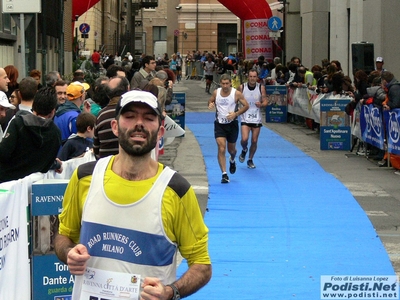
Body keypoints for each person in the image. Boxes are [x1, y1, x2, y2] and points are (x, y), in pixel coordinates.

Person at [54, 90, 211, 299]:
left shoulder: (176, 190)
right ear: (115, 127)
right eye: (129, 116)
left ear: (161, 130)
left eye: (148, 118)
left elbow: (202, 265)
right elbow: (64, 236)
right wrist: (68, 254)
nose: (139, 123)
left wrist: (170, 292)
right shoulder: (85, 177)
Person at [0, 87, 62, 183]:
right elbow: (45, 164)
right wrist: (56, 164)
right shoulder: (56, 133)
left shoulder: (18, 123)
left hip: (8, 186)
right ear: (53, 111)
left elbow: (3, 153)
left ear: (34, 105)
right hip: (34, 189)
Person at [208, 73, 249, 183]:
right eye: (223, 84)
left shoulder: (236, 94)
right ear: (220, 84)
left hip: (232, 125)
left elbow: (246, 106)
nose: (225, 86)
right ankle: (224, 174)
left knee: (232, 150)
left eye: (227, 83)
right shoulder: (216, 93)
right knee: (221, 148)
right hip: (219, 124)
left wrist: (236, 114)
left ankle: (232, 160)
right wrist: (210, 104)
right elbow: (211, 100)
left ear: (230, 83)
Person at [237, 69, 268, 169]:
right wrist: (236, 108)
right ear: (248, 77)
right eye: (251, 76)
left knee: (254, 141)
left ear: (257, 77)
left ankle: (250, 159)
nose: (252, 79)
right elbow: (235, 98)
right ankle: (244, 149)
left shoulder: (260, 88)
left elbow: (265, 101)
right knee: (244, 139)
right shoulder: (242, 87)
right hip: (245, 117)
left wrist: (261, 104)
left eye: (254, 77)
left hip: (256, 118)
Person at [93, 76, 130, 158]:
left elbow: (96, 149)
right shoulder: (131, 113)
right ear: (128, 89)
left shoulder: (101, 115)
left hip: (105, 166)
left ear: (108, 94)